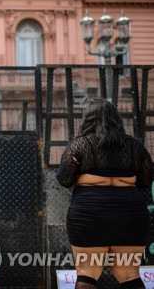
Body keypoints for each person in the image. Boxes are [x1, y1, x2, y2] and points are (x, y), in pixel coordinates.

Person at [57, 98, 153, 289]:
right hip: (130, 213)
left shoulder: (80, 145)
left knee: (87, 273)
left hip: (90, 213)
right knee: (128, 274)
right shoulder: (135, 146)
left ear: (88, 120)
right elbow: (145, 180)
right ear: (116, 120)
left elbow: (64, 179)